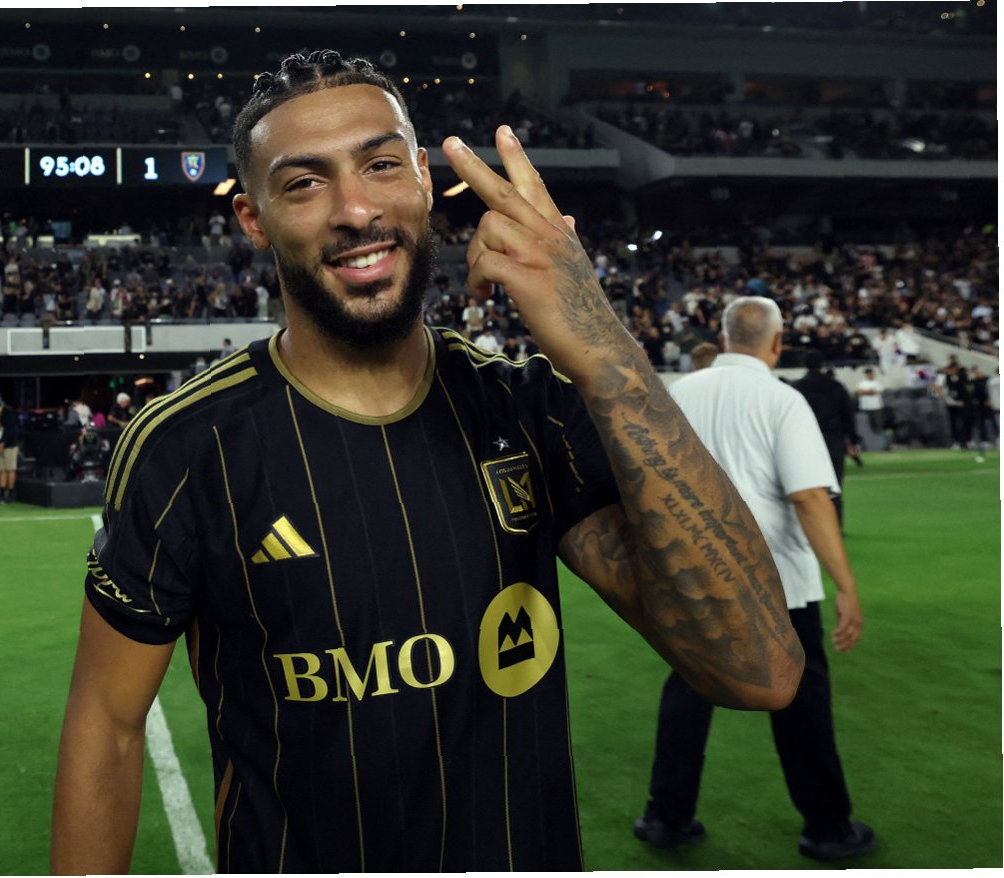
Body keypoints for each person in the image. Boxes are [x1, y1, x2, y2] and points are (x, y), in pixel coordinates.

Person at [51, 50, 802, 875]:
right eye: (303, 184)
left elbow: (758, 669)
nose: (355, 209)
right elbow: (107, 728)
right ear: (252, 219)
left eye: (380, 165)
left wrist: (603, 351)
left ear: (421, 177)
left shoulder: (524, 409)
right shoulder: (185, 446)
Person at [634, 297, 873, 863]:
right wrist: (846, 585)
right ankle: (827, 827)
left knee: (689, 690)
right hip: (776, 580)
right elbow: (809, 496)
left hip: (694, 576)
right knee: (801, 701)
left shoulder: (679, 393)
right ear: (777, 342)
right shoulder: (781, 399)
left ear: (722, 338)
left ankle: (666, 818)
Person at [793, 351, 861, 526]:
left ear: (804, 365)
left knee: (806, 485)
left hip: (804, 441)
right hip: (833, 440)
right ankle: (835, 525)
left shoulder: (796, 387)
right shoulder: (836, 386)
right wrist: (853, 440)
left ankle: (810, 526)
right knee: (834, 484)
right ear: (822, 365)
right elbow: (847, 415)